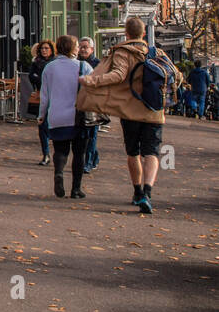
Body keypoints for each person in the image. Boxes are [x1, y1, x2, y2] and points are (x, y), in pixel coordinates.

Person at [77, 17, 184, 214]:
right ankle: (148, 192)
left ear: (126, 33)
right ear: (143, 34)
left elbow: (118, 75)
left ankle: (137, 191)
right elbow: (177, 76)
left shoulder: (123, 52)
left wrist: (91, 81)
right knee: (151, 153)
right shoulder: (157, 53)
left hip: (130, 111)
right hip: (154, 111)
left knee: (133, 152)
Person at [39, 35, 94, 198]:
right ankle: (76, 189)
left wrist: (41, 115)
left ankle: (59, 173)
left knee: (60, 150)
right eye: (77, 46)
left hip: (57, 116)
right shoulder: (84, 66)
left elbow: (45, 95)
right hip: (79, 117)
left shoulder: (50, 68)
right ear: (72, 48)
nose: (78, 49)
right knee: (79, 153)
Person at [29, 40, 56, 165]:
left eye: (46, 48)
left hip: (54, 98)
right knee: (41, 125)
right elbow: (31, 76)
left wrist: (40, 78)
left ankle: (57, 153)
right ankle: (46, 154)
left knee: (52, 126)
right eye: (42, 48)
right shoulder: (36, 63)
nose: (44, 50)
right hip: (40, 96)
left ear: (52, 49)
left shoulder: (55, 63)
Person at [77, 37, 101, 173]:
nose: (83, 49)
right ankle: (94, 157)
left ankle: (88, 163)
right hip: (80, 103)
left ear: (92, 49)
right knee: (83, 135)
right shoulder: (77, 63)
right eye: (81, 46)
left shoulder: (98, 64)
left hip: (93, 104)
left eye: (86, 47)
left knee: (92, 135)